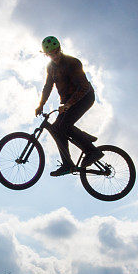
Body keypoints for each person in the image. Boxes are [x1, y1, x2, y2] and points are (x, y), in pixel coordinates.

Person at [34, 36, 103, 176]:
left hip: (84, 97)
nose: (54, 56)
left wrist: (69, 104)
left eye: (55, 52)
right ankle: (67, 164)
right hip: (68, 102)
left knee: (64, 126)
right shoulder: (51, 68)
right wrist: (41, 104)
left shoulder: (73, 63)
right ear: (46, 55)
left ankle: (93, 151)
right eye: (50, 54)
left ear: (60, 49)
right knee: (56, 129)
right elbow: (48, 86)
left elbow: (83, 87)